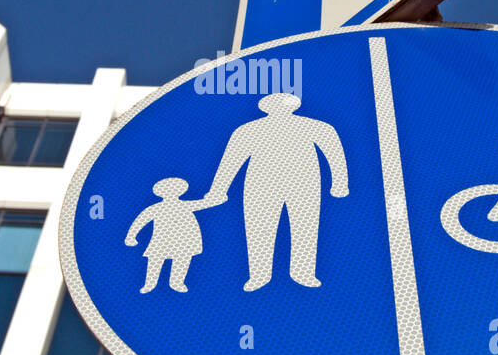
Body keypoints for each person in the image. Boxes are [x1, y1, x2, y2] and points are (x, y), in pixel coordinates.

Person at [202, 92, 347, 291]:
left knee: (305, 227)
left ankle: (303, 272)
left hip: (303, 183)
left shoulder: (314, 126)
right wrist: (218, 190)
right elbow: (230, 161)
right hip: (261, 185)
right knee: (259, 229)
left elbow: (334, 152)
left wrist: (340, 182)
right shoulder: (247, 130)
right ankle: (259, 275)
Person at [125, 177, 212, 293]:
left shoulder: (186, 205)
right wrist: (131, 236)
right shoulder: (156, 208)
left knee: (182, 259)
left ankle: (176, 282)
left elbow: (204, 204)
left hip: (185, 240)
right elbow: (141, 220)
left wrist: (215, 199)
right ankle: (150, 283)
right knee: (156, 259)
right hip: (162, 240)